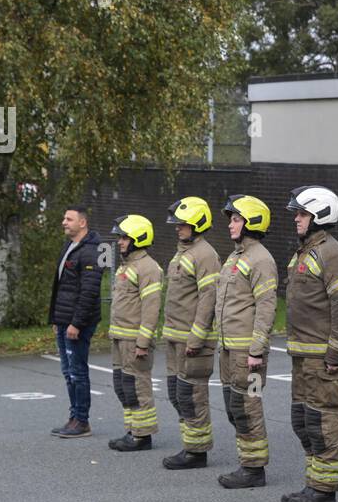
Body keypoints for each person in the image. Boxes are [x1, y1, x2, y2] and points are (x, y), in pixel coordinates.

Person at [279, 186, 338, 502]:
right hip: (302, 355)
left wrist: (335, 353)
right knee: (303, 420)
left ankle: (324, 490)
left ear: (320, 215)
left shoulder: (332, 254)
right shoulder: (305, 251)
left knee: (322, 422)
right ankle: (314, 481)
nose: (296, 218)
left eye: (302, 213)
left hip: (322, 358)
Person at [214, 195, 278, 488]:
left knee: (248, 406)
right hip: (229, 349)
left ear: (251, 222)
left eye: (236, 219)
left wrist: (256, 350)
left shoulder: (261, 259)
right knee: (233, 405)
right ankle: (246, 462)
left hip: (246, 352)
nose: (230, 224)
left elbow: (266, 307)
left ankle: (254, 470)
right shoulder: (236, 256)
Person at [160, 196, 220, 469]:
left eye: (182, 224)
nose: (177, 228)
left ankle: (196, 451)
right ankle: (190, 443)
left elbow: (208, 298)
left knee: (191, 394)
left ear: (197, 224)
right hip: (175, 338)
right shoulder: (184, 252)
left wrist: (196, 337)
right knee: (176, 392)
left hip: (192, 341)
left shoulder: (205, 255)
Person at [108, 214, 163, 451]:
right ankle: (132, 430)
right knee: (122, 385)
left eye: (124, 237)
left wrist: (143, 342)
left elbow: (151, 308)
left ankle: (142, 436)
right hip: (120, 337)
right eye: (120, 237)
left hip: (134, 340)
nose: (120, 242)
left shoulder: (148, 268)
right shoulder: (128, 265)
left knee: (137, 386)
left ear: (138, 238)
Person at [48, 205, 103, 438]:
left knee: (78, 372)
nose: (64, 222)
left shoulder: (90, 251)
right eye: (64, 218)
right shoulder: (70, 247)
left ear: (82, 223)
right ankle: (73, 417)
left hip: (77, 322)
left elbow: (89, 291)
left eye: (69, 219)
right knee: (68, 371)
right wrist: (57, 319)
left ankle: (82, 421)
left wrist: (76, 324)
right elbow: (62, 288)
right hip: (64, 320)